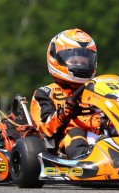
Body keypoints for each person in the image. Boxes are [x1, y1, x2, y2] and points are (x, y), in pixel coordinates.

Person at [30, 28, 98, 159]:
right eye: (74, 62)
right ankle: (84, 159)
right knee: (76, 133)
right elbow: (44, 127)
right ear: (55, 59)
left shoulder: (96, 89)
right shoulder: (45, 93)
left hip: (97, 135)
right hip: (63, 142)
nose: (80, 65)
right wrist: (63, 113)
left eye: (84, 62)